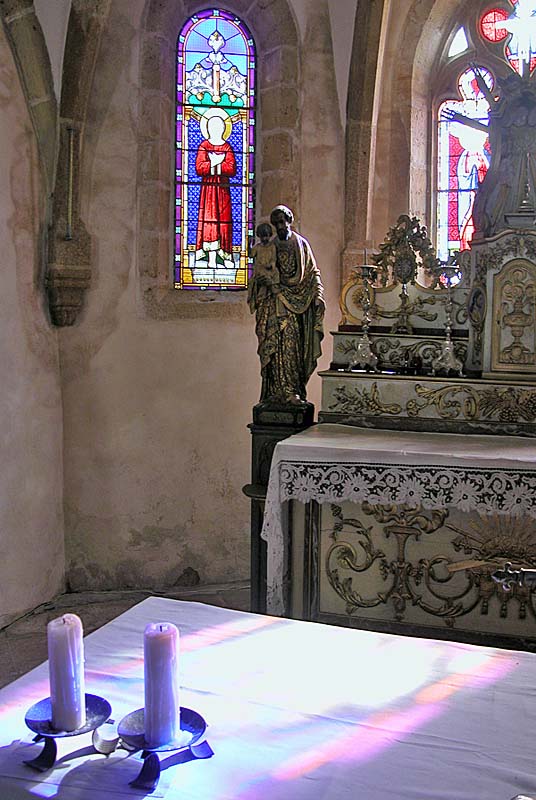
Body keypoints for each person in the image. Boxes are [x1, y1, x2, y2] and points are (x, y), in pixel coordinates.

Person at [249, 205, 325, 404]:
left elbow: (312, 273)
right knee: (274, 348)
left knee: (291, 346)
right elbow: (259, 272)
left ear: (289, 221)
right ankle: (274, 392)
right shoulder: (269, 246)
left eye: (283, 221)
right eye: (276, 223)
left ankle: (292, 390)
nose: (280, 226)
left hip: (296, 306)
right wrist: (262, 282)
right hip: (273, 304)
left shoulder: (301, 244)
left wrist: (318, 295)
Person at [195, 108, 236, 270]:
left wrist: (215, 163)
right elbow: (199, 167)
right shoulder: (204, 146)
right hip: (209, 191)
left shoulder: (227, 147)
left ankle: (225, 256)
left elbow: (231, 168)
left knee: (225, 222)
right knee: (210, 221)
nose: (216, 130)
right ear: (208, 129)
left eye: (219, 127)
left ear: (223, 129)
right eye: (213, 127)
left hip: (223, 190)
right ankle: (211, 258)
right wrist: (216, 163)